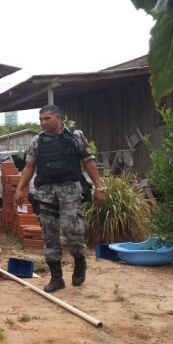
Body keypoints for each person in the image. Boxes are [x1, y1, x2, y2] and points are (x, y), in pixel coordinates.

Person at [14, 105, 106, 293]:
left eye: (47, 119)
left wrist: (99, 187)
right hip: (46, 192)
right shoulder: (37, 141)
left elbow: (89, 161)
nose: (43, 123)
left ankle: (80, 262)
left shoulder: (75, 137)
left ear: (58, 118)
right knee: (49, 234)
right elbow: (29, 167)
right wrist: (20, 189)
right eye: (40, 120)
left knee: (73, 230)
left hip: (70, 190)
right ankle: (57, 278)